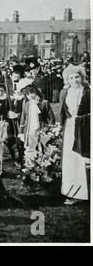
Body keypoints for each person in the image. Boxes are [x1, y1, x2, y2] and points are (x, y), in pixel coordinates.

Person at [60, 65, 90, 205]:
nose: (75, 80)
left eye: (77, 77)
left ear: (81, 77)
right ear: (67, 80)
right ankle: (71, 191)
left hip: (84, 128)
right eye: (71, 78)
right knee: (70, 159)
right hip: (70, 128)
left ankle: (84, 193)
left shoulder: (87, 92)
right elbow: (62, 112)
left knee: (81, 158)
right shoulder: (65, 93)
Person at [18, 85, 55, 157]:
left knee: (43, 145)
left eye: (32, 93)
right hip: (29, 128)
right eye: (28, 94)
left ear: (37, 93)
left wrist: (51, 128)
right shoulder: (26, 105)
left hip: (42, 127)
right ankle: (32, 161)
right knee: (31, 147)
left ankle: (44, 161)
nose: (30, 96)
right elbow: (23, 118)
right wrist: (21, 131)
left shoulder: (44, 103)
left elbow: (51, 117)